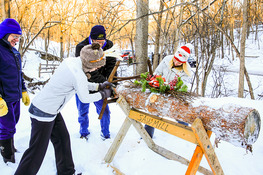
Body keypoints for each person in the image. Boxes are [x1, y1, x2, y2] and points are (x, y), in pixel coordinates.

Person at [14, 43, 113, 175]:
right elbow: (84, 97)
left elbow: (81, 84)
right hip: (44, 112)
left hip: (51, 110)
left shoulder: (72, 62)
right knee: (36, 152)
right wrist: (102, 94)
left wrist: (98, 86)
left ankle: (66, 172)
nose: (97, 69)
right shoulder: (78, 74)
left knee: (62, 139)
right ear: (89, 64)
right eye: (97, 66)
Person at [75, 25, 117, 140]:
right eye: (98, 42)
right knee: (82, 111)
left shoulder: (108, 45)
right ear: (92, 40)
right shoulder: (81, 48)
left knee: (105, 111)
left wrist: (111, 82)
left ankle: (106, 134)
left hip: (101, 84)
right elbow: (88, 71)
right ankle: (84, 133)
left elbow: (111, 65)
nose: (101, 44)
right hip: (84, 84)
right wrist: (104, 83)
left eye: (102, 41)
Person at [144, 44, 193, 138]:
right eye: (175, 59)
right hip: (159, 89)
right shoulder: (167, 59)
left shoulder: (186, 71)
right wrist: (157, 81)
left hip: (175, 94)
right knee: (153, 109)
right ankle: (147, 135)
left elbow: (182, 85)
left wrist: (169, 87)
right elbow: (157, 72)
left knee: (178, 113)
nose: (176, 62)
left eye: (179, 62)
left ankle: (186, 134)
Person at [0, 18, 30, 163]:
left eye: (18, 37)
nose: (16, 40)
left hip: (15, 96)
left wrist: (23, 90)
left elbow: (19, 73)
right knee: (6, 127)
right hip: (3, 98)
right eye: (14, 37)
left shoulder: (14, 52)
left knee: (13, 123)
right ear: (5, 34)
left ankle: (9, 146)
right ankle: (7, 156)